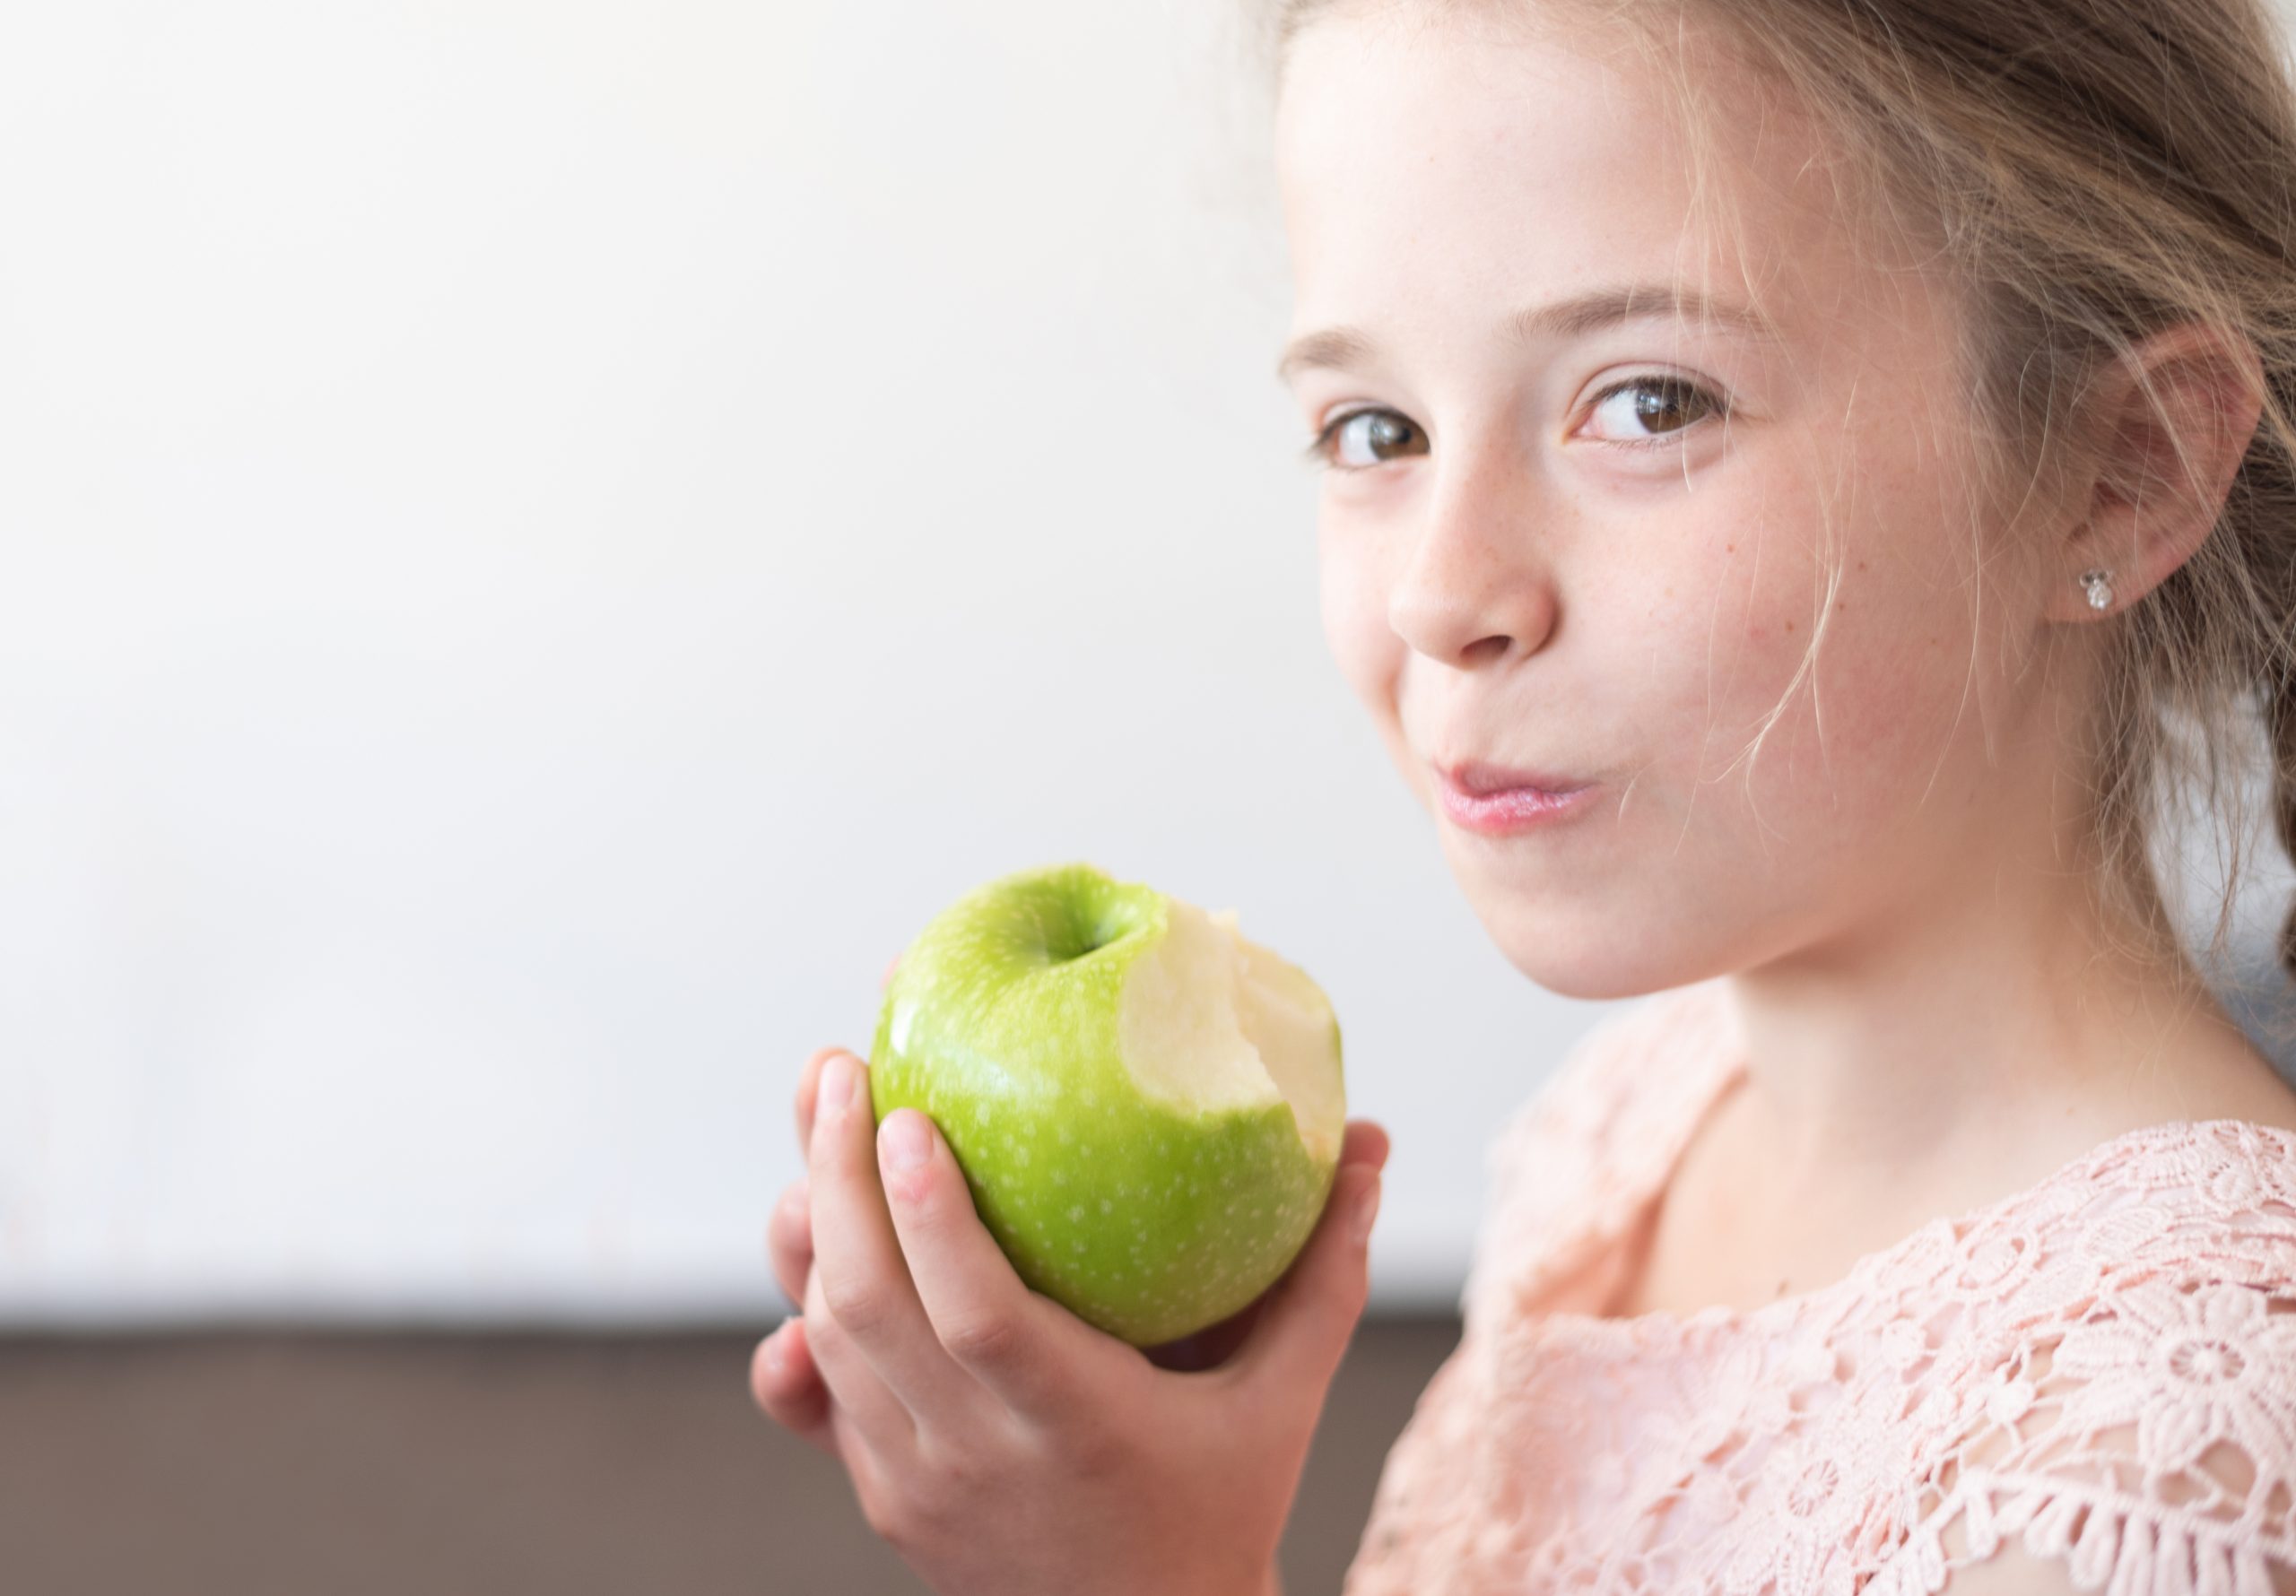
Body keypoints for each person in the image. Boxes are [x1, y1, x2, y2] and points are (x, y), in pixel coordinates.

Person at [750, 0, 2296, 1589]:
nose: (1442, 593)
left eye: (1649, 403)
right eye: (1378, 430)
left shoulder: (2164, 1466)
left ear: (2123, 467)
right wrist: (1150, 1430)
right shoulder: (1634, 1125)